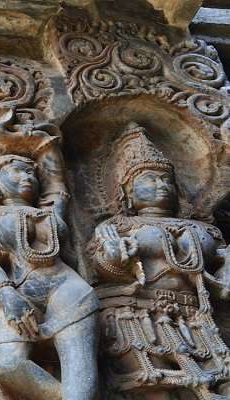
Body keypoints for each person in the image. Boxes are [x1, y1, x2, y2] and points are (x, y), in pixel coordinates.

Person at [92, 123, 230, 399]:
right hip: (138, 318)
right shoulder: (118, 227)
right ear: (128, 192)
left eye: (167, 179)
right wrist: (116, 257)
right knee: (157, 391)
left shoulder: (205, 230)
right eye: (149, 179)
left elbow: (221, 263)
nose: (161, 185)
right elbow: (101, 267)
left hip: (198, 319)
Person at [0, 154, 99, 400]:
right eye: (17, 171)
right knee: (6, 361)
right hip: (18, 294)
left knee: (80, 370)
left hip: (68, 291)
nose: (27, 177)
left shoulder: (49, 211)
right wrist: (7, 296)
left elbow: (58, 186)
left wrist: (48, 148)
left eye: (30, 173)